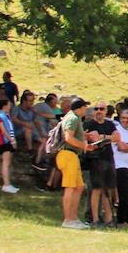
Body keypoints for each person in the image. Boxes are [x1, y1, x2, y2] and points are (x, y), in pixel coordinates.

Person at [56, 97, 91, 229]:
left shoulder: (73, 118)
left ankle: (74, 218)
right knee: (70, 187)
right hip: (68, 155)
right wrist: (84, 145)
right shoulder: (73, 118)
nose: (86, 109)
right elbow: (68, 137)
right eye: (84, 107)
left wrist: (83, 137)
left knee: (79, 187)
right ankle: (68, 219)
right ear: (80, 108)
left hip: (72, 155)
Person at [82, 103, 119, 226]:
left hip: (108, 159)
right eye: (96, 109)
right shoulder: (89, 124)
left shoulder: (109, 124)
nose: (98, 111)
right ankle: (95, 219)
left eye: (101, 109)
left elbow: (117, 137)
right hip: (95, 160)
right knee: (97, 189)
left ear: (106, 111)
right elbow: (88, 137)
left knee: (108, 189)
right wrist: (108, 138)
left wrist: (102, 137)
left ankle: (109, 218)